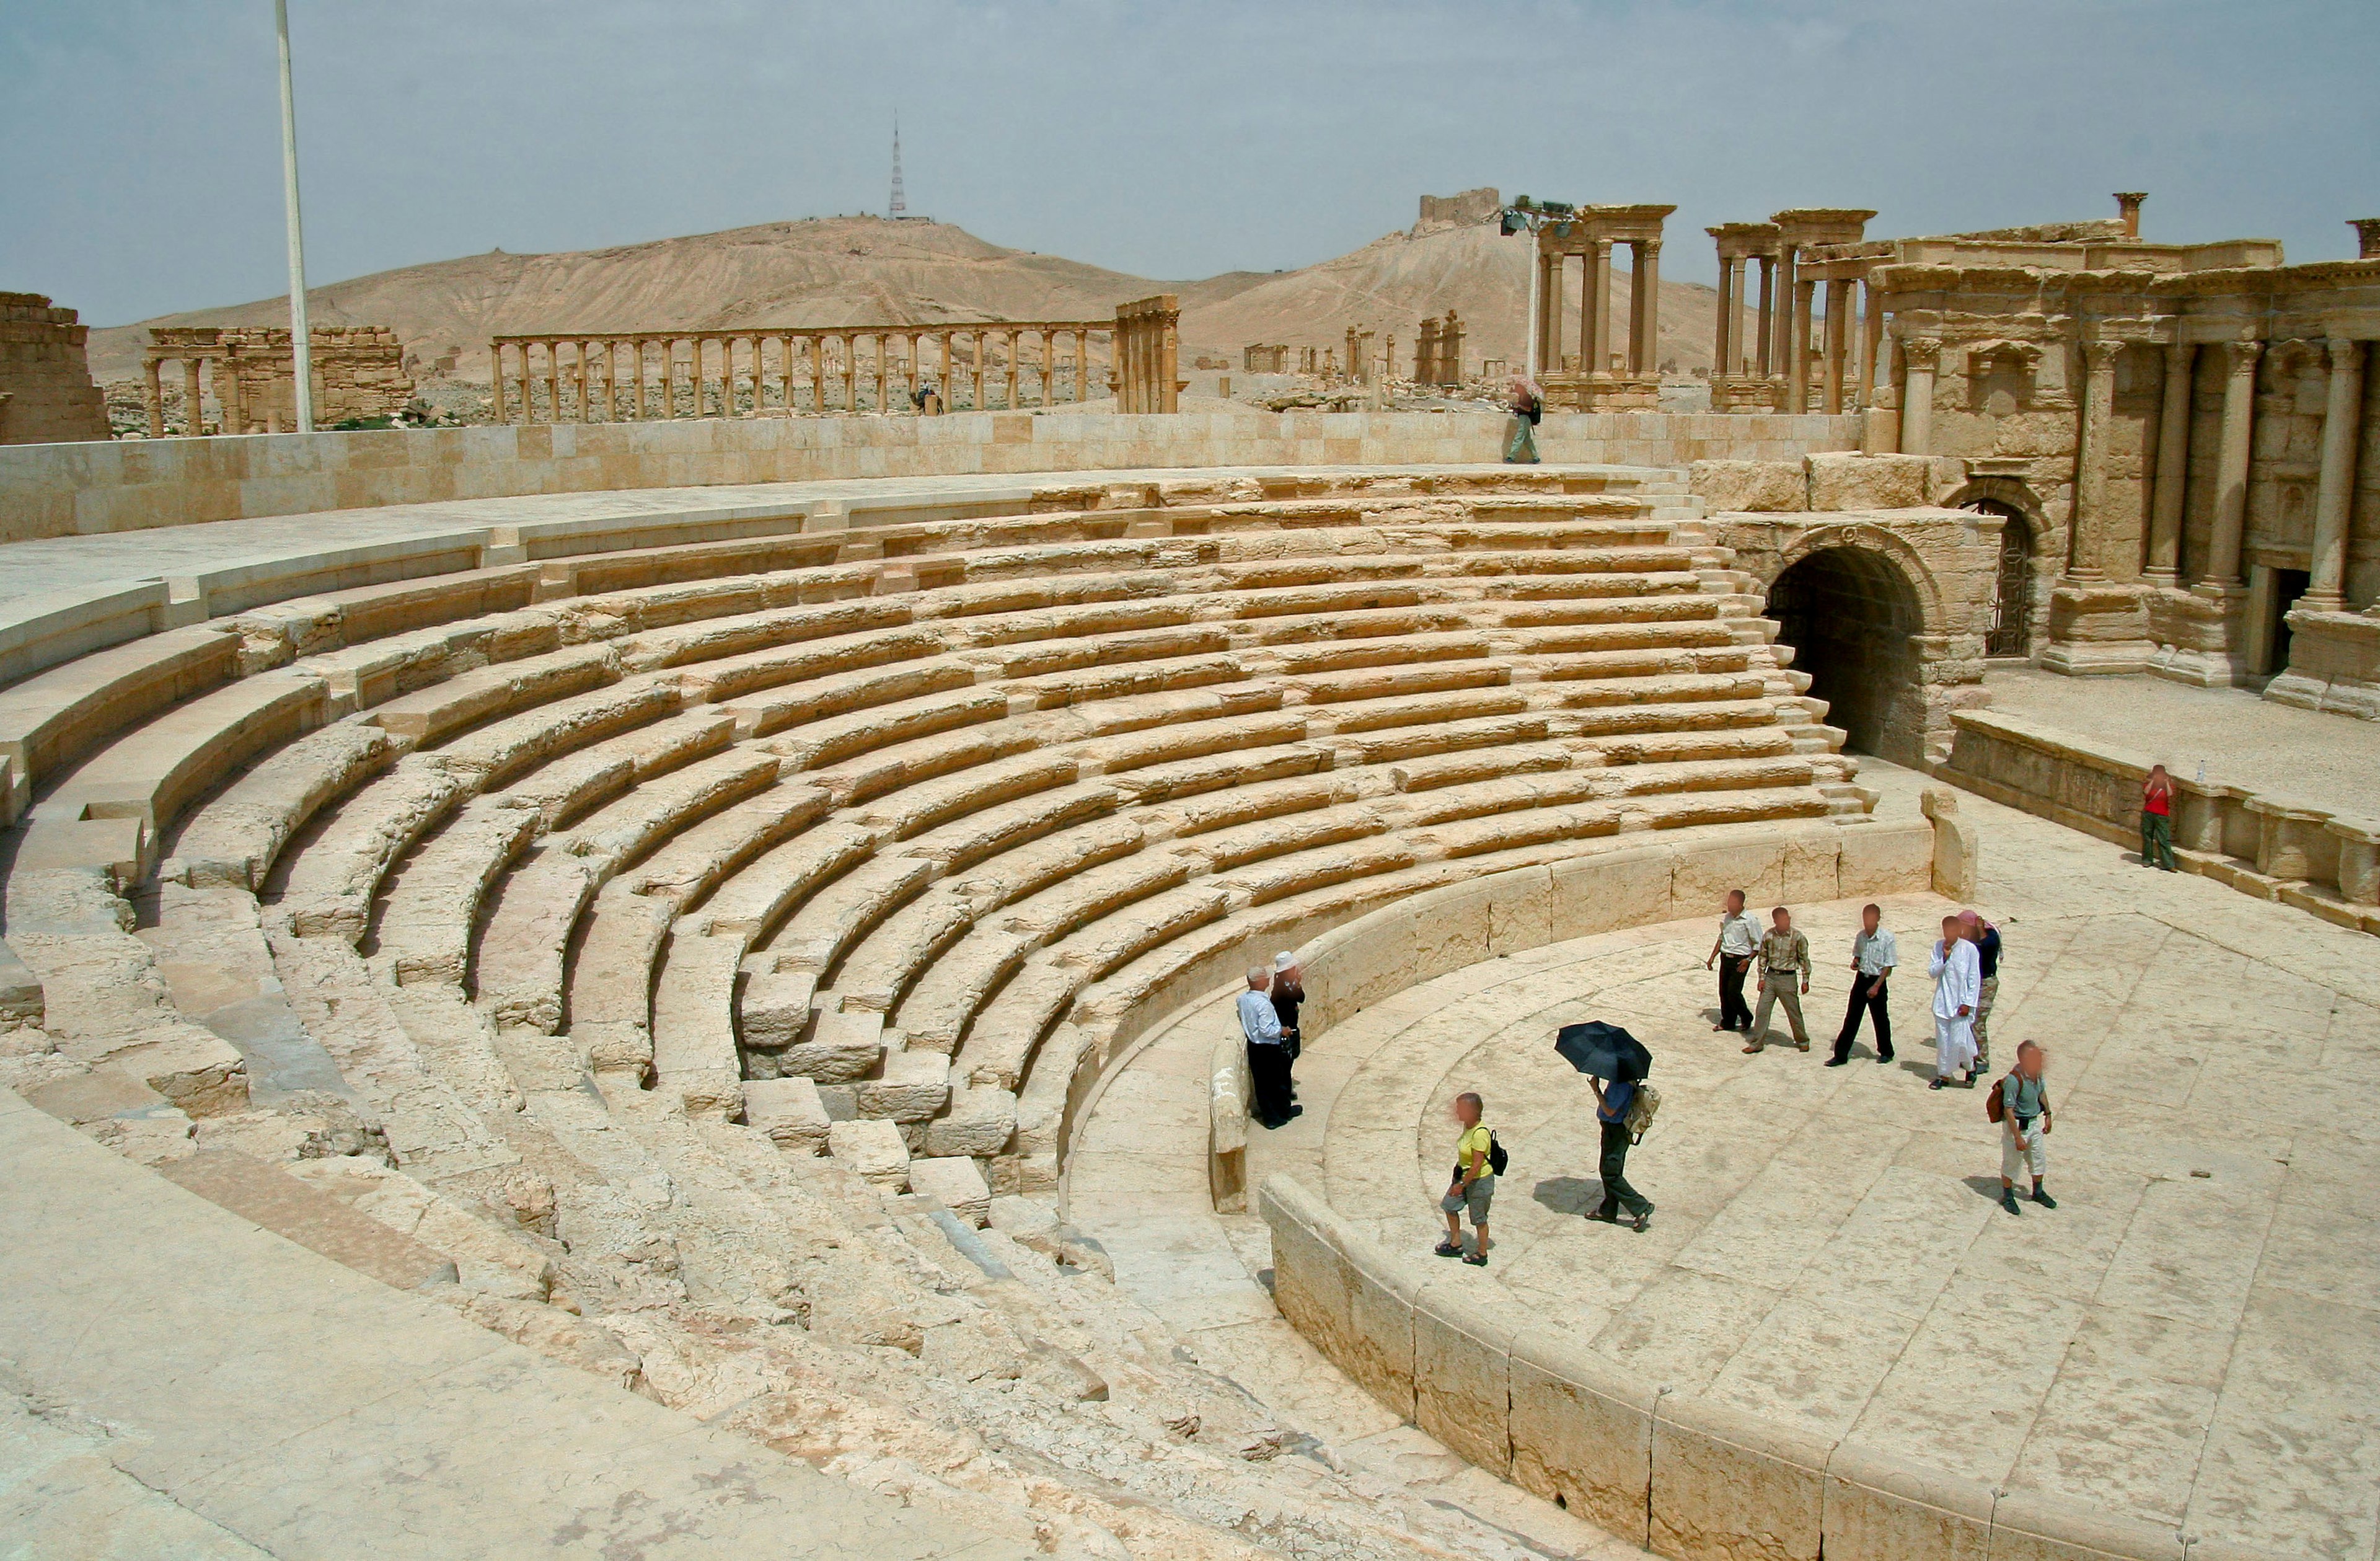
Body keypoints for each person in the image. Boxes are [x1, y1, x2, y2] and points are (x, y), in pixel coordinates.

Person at [1827, 903, 1897, 1066]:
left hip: (1877, 980)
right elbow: (1858, 955)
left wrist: (1877, 986)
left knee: (1880, 1019)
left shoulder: (1887, 938)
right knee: (1852, 1018)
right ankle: (1841, 1055)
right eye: (1865, 918)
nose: (1868, 922)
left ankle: (1886, 1051)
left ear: (1878, 919)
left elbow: (1888, 966)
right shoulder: (1861, 937)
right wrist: (1856, 962)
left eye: (1871, 918)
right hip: (1861, 979)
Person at [1435, 1091, 1496, 1265]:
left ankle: (1482, 1254)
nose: (1457, 1112)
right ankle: (1456, 1244)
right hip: (1463, 1176)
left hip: (1479, 1181)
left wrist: (1461, 1185)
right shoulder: (1468, 1127)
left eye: (1461, 1109)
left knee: (1479, 1219)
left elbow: (1477, 1165)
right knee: (1449, 1206)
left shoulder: (1479, 1134)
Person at [1996, 1041, 2056, 1216]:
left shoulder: (2037, 1074)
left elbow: (2041, 1092)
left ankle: (2038, 1191)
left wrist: (2048, 1115)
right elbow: (2008, 1110)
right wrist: (2017, 1137)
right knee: (2012, 1162)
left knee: (2038, 1158)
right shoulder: (2014, 1080)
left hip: (2033, 1124)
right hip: (2018, 1127)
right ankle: (2008, 1195)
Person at [1589, 1074, 1653, 1232]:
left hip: (1615, 1131)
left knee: (1610, 1173)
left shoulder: (1621, 1084)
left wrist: (1596, 1090)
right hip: (1617, 1130)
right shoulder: (1627, 1080)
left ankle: (1641, 1207)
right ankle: (1608, 1211)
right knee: (1612, 1170)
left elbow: (1610, 1111)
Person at [1238, 965, 1298, 1127]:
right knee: (1277, 1082)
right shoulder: (1263, 1004)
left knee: (1262, 1084)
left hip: (1255, 1048)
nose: (1268, 979)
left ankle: (1272, 1116)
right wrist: (1281, 1031)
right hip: (1268, 1048)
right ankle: (1278, 1115)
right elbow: (1266, 1030)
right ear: (1260, 981)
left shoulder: (1242, 999)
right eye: (1265, 977)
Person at [1746, 906, 1812, 1053]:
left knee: (1793, 1011)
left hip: (1788, 978)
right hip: (1771, 977)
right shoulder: (1769, 936)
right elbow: (1763, 957)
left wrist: (1805, 980)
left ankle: (1802, 1040)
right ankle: (1757, 1043)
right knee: (1762, 1010)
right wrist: (1761, 978)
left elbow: (1804, 959)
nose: (1785, 922)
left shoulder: (1798, 937)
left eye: (1787, 919)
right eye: (1781, 920)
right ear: (1775, 921)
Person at [1928, 914, 1980, 1090]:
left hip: (1961, 1005)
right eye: (1946, 930)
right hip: (1943, 1002)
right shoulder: (1938, 947)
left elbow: (1974, 979)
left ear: (1959, 931)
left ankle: (1970, 1067)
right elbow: (1933, 972)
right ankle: (1944, 1075)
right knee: (1944, 1042)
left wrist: (1968, 1003)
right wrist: (1945, 958)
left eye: (1952, 930)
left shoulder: (1970, 949)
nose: (1949, 934)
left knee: (1960, 1042)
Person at [1705, 889, 1757, 1035]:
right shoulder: (1727, 918)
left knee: (1733, 992)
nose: (1729, 905)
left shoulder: (1750, 920)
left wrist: (1748, 960)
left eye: (1732, 902)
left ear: (1740, 904)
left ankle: (1746, 1017)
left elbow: (1758, 944)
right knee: (1723, 992)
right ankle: (1728, 1021)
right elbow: (1722, 938)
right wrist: (1712, 957)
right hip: (1725, 958)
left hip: (1740, 961)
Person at [1960, 910, 2003, 1071]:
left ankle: (1982, 1060)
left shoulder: (1991, 936)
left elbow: (1988, 947)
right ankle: (1970, 1055)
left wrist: (1981, 930)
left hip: (1986, 984)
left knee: (1978, 1022)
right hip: (1972, 984)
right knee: (1967, 1020)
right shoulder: (1968, 936)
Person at [1270, 951, 1306, 1105]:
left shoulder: (1283, 983)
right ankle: (1284, 1095)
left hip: (1289, 1026)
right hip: (1287, 1029)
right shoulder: (1284, 987)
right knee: (1286, 1062)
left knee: (1289, 1060)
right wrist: (1297, 983)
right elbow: (1300, 997)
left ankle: (1286, 1090)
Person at [2141, 764, 2177, 871]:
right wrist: (2153, 781)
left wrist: (2165, 783)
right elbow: (2146, 792)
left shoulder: (2167, 787)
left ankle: (2168, 864)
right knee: (2147, 837)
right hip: (2149, 813)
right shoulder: (2148, 785)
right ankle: (2147, 860)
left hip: (2162, 815)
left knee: (2164, 839)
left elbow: (2170, 794)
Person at [1503, 375, 1543, 464]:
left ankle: (1511, 457)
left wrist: (1519, 406)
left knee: (1519, 437)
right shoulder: (1522, 397)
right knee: (1527, 440)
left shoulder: (1527, 397)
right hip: (1523, 418)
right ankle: (1536, 458)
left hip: (1525, 418)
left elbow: (1528, 409)